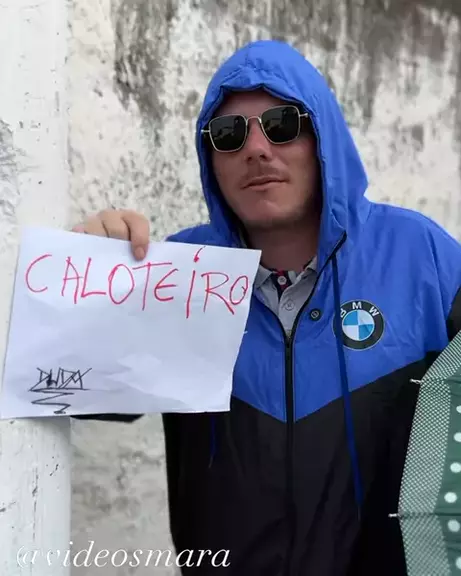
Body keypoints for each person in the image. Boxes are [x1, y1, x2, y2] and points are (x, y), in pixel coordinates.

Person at [74, 39, 461, 575]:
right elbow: (82, 393)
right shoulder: (178, 273)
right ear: (210, 159)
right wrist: (85, 280)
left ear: (323, 137)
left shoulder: (422, 256)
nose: (256, 149)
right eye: (229, 134)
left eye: (282, 125)